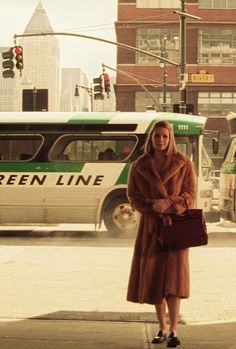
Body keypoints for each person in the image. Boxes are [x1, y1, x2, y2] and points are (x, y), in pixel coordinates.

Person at [126, 120, 195, 348]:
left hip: (175, 229)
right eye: (157, 136)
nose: (161, 140)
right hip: (151, 229)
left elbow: (190, 196)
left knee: (174, 283)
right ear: (151, 138)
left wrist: (171, 203)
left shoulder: (184, 163)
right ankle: (162, 328)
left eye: (165, 136)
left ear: (170, 137)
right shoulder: (139, 166)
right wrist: (152, 206)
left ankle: (174, 330)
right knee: (155, 281)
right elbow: (133, 198)